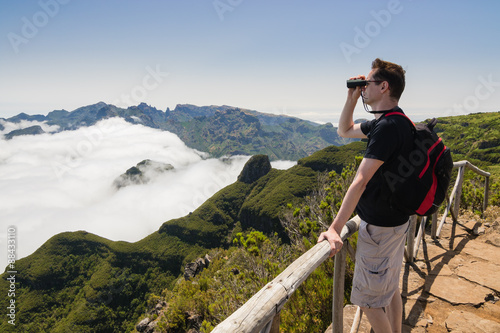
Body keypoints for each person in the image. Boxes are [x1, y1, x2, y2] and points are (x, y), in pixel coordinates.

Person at [318, 58, 413, 333]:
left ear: (384, 86)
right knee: (389, 288)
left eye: (367, 83)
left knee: (369, 301)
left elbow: (360, 182)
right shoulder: (397, 120)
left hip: (380, 231)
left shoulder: (386, 128)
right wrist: (351, 97)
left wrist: (335, 228)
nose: (363, 87)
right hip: (396, 224)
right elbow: (344, 131)